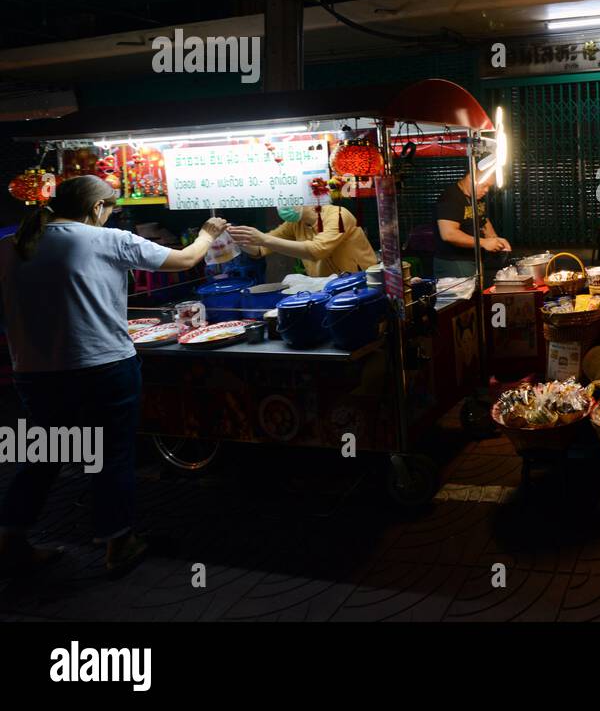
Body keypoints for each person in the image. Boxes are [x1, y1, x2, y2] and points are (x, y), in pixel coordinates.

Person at [0, 176, 229, 579]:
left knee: (44, 454)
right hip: (102, 367)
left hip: (34, 373)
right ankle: (118, 544)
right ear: (96, 209)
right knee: (111, 455)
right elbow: (186, 259)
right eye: (111, 208)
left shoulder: (10, 246)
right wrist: (209, 233)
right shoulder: (107, 240)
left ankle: (10, 541)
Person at [228, 201, 377, 278]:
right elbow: (259, 249)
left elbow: (317, 251)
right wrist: (237, 237)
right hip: (328, 286)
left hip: (361, 281)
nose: (282, 205)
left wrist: (263, 239)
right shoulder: (294, 224)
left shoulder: (338, 215)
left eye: (288, 198)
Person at [432, 171, 511, 279]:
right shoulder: (450, 198)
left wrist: (495, 240)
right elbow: (449, 234)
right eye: (484, 185)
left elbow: (483, 221)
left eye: (489, 186)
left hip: (474, 260)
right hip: (454, 263)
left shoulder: (476, 197)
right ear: (470, 178)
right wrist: (484, 243)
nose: (487, 190)